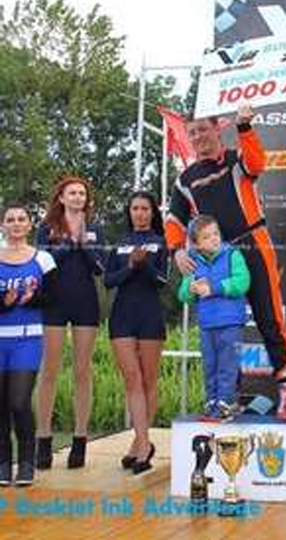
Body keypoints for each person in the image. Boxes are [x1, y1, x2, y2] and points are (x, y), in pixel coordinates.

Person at [166, 103, 286, 420]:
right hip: (217, 255)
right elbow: (174, 220)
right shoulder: (185, 179)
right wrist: (176, 250)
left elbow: (258, 163)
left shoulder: (236, 159)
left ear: (218, 128)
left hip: (254, 243)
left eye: (203, 129)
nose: (198, 136)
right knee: (225, 327)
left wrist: (245, 127)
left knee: (269, 317)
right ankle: (228, 397)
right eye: (192, 132)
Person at [35, 176, 105, 469]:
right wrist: (67, 244)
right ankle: (43, 439)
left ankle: (80, 438)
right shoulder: (46, 228)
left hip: (85, 302)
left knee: (82, 371)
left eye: (82, 193)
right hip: (54, 302)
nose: (78, 197)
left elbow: (99, 267)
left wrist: (83, 244)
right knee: (49, 370)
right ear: (61, 198)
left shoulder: (95, 229)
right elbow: (43, 265)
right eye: (72, 193)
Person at [104, 191, 167, 475]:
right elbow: (108, 281)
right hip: (122, 317)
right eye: (135, 208)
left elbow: (162, 280)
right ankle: (143, 444)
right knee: (132, 378)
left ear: (153, 212)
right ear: (129, 212)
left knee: (148, 380)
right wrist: (131, 265)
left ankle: (139, 444)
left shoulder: (160, 242)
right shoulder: (120, 244)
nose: (139, 213)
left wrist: (145, 265)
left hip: (150, 315)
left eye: (145, 208)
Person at [0, 205, 57, 486]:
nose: (16, 223)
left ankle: (26, 462)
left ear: (29, 225)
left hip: (27, 339)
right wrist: (5, 303)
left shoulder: (43, 259)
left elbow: (54, 298)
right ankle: (3, 463)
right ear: (3, 226)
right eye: (10, 219)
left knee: (19, 401)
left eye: (21, 219)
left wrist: (32, 299)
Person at [177, 215, 250, 421]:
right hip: (207, 325)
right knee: (210, 365)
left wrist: (214, 288)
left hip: (231, 323)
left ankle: (226, 402)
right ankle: (211, 402)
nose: (214, 239)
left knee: (227, 366)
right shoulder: (192, 262)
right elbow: (183, 295)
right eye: (207, 237)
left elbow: (242, 282)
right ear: (196, 244)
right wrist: (191, 289)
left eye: (216, 233)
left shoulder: (232, 255)